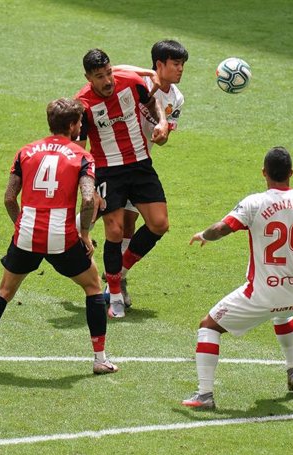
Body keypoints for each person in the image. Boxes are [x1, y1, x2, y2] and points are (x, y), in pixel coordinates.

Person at [0, 98, 118, 375]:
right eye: (79, 122)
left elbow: (8, 198)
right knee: (93, 287)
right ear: (71, 125)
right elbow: (89, 199)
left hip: (26, 235)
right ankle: (100, 359)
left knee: (4, 292)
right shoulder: (81, 156)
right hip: (61, 237)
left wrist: (22, 225)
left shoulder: (26, 152)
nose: (81, 126)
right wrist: (85, 234)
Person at [181, 147, 293, 409]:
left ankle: (205, 395)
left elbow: (222, 228)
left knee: (208, 325)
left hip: (262, 295)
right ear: (291, 173)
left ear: (264, 173)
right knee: (281, 312)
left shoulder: (255, 203)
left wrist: (204, 235)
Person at [75, 48, 170, 319]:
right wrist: (90, 185)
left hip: (140, 165)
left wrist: (161, 122)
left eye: (108, 73)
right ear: (88, 78)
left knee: (160, 224)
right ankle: (115, 294)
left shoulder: (131, 83)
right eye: (99, 77)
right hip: (108, 171)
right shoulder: (82, 104)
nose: (107, 81)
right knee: (115, 231)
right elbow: (80, 151)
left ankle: (119, 271)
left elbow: (151, 104)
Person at [98, 39, 189, 308]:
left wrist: (162, 135)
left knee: (145, 224)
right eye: (175, 64)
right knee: (121, 225)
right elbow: (114, 70)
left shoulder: (176, 98)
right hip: (115, 162)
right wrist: (149, 75)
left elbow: (162, 137)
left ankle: (118, 275)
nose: (180, 69)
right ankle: (114, 281)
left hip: (140, 163)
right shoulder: (138, 82)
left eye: (183, 64)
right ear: (159, 64)